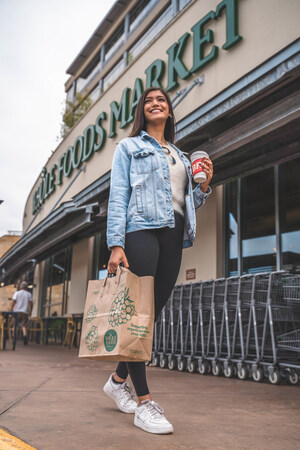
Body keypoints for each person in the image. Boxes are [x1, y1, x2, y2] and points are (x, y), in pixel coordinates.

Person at [103, 87, 213, 434]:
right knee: (140, 312)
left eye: (161, 100)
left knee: (151, 314)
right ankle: (144, 402)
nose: (155, 103)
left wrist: (203, 186)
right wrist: (116, 244)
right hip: (140, 230)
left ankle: (118, 379)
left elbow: (184, 203)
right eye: (149, 100)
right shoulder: (129, 147)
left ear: (169, 111)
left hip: (174, 232)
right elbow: (118, 194)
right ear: (142, 110)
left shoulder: (181, 156)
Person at [11, 281, 33, 345]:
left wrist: (11, 309)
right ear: (26, 287)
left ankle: (13, 337)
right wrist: (30, 311)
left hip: (16, 311)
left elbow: (13, 301)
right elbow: (31, 303)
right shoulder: (29, 294)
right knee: (23, 325)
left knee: (15, 324)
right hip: (24, 312)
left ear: (20, 287)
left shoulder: (17, 293)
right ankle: (25, 335)